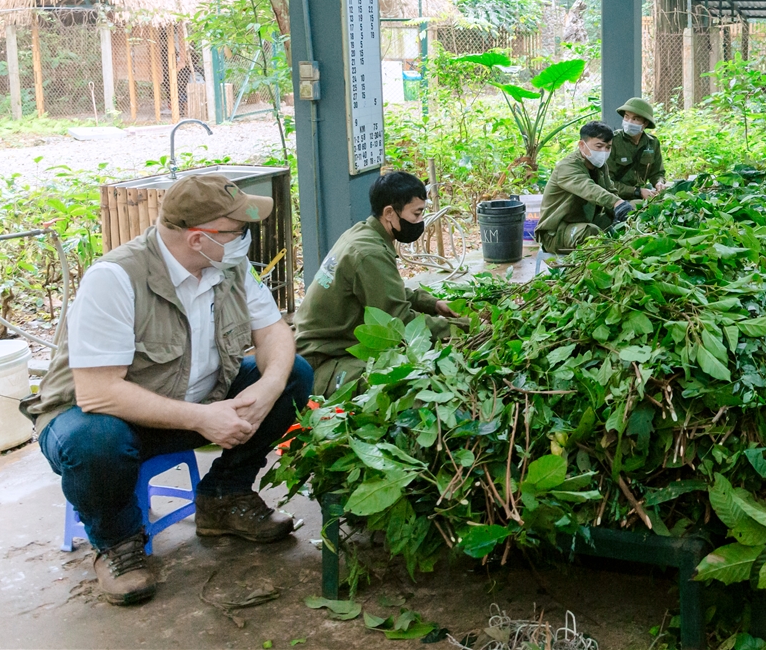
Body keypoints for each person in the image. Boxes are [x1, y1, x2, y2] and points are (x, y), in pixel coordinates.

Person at [25, 174, 313, 606]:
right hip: (104, 419)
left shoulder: (226, 268)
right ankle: (118, 544)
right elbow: (98, 393)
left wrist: (269, 388)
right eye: (238, 232)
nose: (245, 241)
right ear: (199, 239)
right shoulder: (116, 279)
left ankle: (224, 497)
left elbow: (274, 333)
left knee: (295, 374)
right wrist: (202, 419)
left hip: (196, 403)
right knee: (96, 441)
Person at [292, 171, 460, 394]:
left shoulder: (364, 233)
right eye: (416, 214)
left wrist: (433, 304)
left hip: (329, 347)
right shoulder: (369, 252)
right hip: (320, 362)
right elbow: (400, 324)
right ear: (389, 212)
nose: (420, 222)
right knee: (409, 380)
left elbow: (387, 290)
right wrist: (460, 329)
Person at [536, 121, 636, 253]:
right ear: (582, 145)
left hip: (585, 221)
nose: (604, 152)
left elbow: (610, 191)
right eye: (599, 146)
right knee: (590, 233)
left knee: (634, 210)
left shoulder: (600, 166)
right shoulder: (567, 167)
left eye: (608, 147)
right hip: (556, 233)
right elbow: (588, 188)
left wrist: (629, 215)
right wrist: (616, 203)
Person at [609, 97, 666, 201]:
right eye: (626, 117)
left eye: (635, 119)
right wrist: (636, 191)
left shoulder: (652, 143)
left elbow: (658, 173)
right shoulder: (612, 142)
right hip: (617, 198)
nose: (629, 122)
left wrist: (659, 183)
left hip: (643, 194)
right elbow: (607, 182)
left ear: (645, 123)